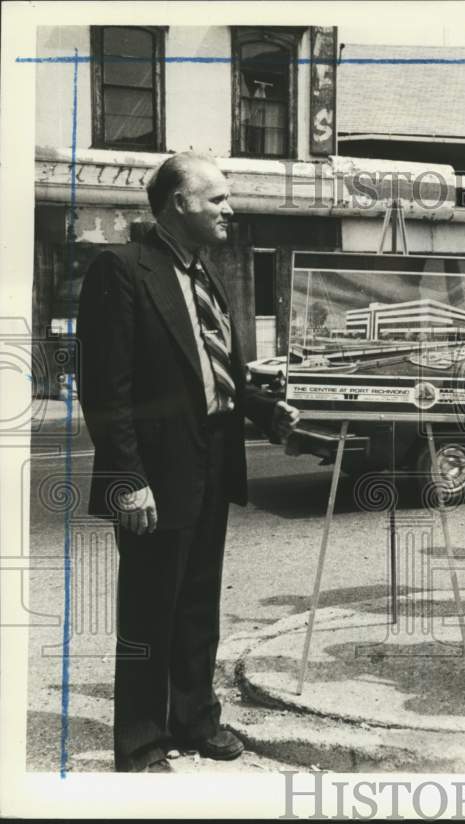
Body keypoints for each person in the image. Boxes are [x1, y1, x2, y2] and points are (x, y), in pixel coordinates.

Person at [77, 152, 300, 772]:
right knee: (150, 607)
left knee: (198, 602)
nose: (230, 210)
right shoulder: (121, 270)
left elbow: (213, 373)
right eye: (218, 199)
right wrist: (129, 482)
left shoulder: (207, 274)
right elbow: (105, 392)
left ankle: (196, 719)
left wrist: (262, 411)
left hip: (211, 462)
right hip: (154, 474)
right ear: (180, 202)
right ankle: (142, 742)